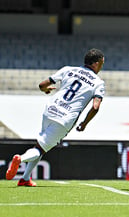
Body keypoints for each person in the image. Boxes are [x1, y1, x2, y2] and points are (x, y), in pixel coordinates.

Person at [6, 48, 106, 186]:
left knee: (41, 143)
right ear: (95, 63)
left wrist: (46, 90)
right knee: (40, 148)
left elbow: (42, 85)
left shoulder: (68, 69)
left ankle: (25, 178)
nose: (102, 66)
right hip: (65, 118)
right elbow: (95, 107)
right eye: (102, 62)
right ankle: (20, 159)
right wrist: (84, 123)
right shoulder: (98, 82)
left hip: (50, 109)